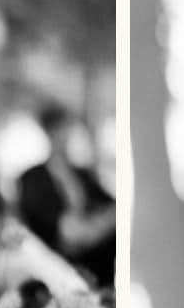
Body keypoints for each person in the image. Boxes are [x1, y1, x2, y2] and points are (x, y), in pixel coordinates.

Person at [16, 105, 115, 289]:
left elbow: (113, 206)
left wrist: (95, 227)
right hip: (57, 258)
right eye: (58, 129)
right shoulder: (33, 178)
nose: (64, 135)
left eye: (67, 128)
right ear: (48, 132)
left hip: (96, 254)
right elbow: (59, 230)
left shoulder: (81, 173)